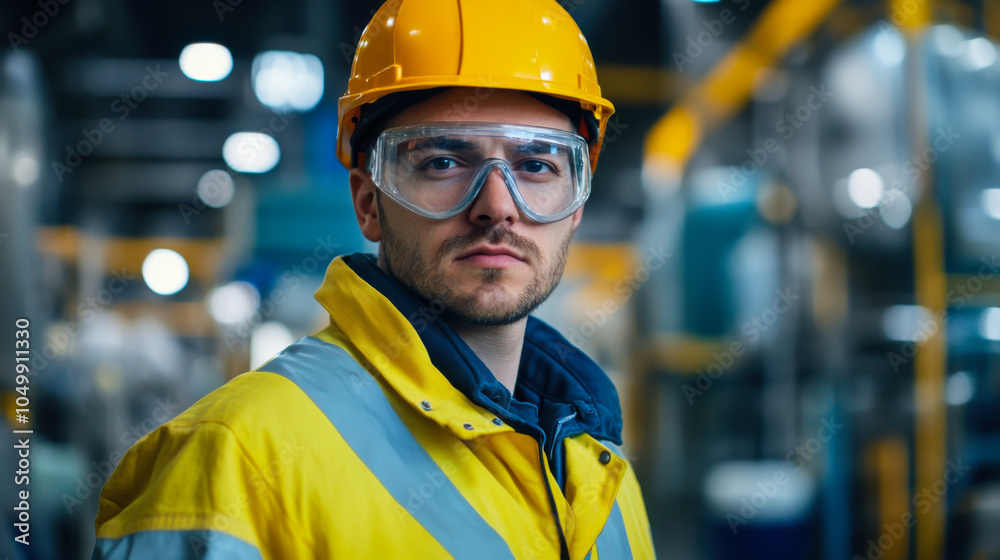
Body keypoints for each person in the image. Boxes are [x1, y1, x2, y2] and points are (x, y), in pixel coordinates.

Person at [91, 0, 655, 558]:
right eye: (443, 162)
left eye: (536, 165)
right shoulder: (230, 463)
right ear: (368, 202)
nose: (497, 206)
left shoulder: (606, 483)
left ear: (575, 206)